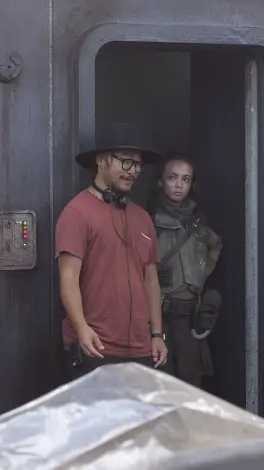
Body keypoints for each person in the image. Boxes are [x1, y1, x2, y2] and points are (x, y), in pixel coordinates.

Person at [56, 122, 168, 380]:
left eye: (137, 165)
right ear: (102, 161)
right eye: (126, 162)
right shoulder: (77, 213)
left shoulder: (141, 217)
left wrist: (157, 335)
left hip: (141, 349)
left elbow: (151, 281)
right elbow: (68, 278)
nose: (133, 171)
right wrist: (82, 329)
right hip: (96, 347)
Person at [147, 153, 222, 387]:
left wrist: (199, 274)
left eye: (186, 179)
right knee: (162, 382)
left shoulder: (197, 222)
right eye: (173, 177)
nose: (179, 185)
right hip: (161, 315)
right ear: (160, 181)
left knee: (191, 381)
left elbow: (215, 245)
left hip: (190, 315)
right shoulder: (148, 220)